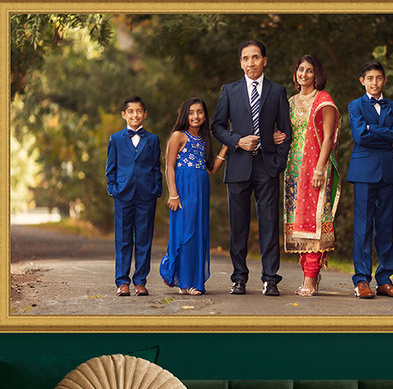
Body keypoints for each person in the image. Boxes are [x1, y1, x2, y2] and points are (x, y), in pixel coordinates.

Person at [211, 39, 292, 296]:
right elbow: (217, 127)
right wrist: (238, 141)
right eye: (245, 59)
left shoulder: (277, 91)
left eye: (255, 58)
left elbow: (286, 132)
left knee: (269, 224)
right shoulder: (229, 90)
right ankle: (239, 278)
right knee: (239, 225)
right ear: (240, 63)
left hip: (267, 166)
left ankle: (270, 279)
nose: (250, 63)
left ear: (264, 60)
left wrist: (278, 163)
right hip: (237, 166)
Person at [278, 55, 341, 297]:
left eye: (309, 71)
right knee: (299, 224)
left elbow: (327, 138)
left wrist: (319, 169)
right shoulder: (291, 102)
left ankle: (311, 279)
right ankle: (307, 273)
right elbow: (287, 133)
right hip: (294, 170)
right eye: (301, 70)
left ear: (317, 75)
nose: (304, 74)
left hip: (315, 168)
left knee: (313, 224)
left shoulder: (323, 100)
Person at [346, 62, 393, 299]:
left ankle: (384, 279)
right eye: (369, 78)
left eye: (378, 78)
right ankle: (361, 280)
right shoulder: (355, 106)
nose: (374, 82)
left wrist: (374, 129)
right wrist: (385, 134)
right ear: (362, 81)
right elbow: (360, 135)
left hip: (389, 171)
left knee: (385, 226)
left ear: (385, 80)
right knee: (363, 226)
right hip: (363, 172)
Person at [159, 98, 227, 295]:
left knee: (198, 234)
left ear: (205, 116)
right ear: (185, 115)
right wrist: (173, 194)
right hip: (183, 189)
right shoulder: (178, 136)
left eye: (200, 112)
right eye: (191, 112)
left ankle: (194, 281)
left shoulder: (204, 140)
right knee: (186, 233)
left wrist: (226, 147)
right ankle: (182, 279)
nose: (196, 116)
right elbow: (169, 167)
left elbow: (212, 168)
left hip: (201, 189)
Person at [105, 96, 163, 296]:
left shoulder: (153, 140)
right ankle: (122, 282)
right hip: (123, 195)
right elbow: (110, 168)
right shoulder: (116, 139)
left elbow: (156, 167)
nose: (135, 115)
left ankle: (140, 281)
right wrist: (113, 188)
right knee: (123, 239)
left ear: (145, 114)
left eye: (139, 111)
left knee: (144, 239)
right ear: (124, 115)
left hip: (146, 195)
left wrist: (157, 188)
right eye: (130, 111)